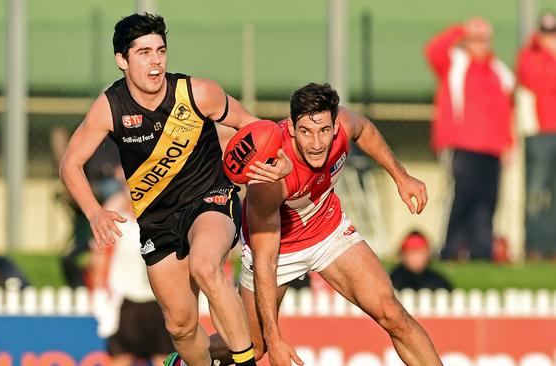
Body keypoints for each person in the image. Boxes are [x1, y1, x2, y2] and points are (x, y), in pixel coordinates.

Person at [59, 13, 290, 366]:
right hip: (158, 220)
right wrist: (93, 211)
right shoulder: (110, 107)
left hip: (210, 200)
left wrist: (279, 159)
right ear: (122, 60)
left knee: (205, 266)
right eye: (144, 53)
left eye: (160, 51)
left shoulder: (198, 92)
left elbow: (254, 126)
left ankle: (245, 363)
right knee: (180, 326)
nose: (155, 62)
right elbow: (70, 163)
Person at [202, 83, 442, 366]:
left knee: (392, 314)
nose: (316, 144)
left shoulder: (344, 125)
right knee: (255, 347)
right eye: (305, 132)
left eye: (323, 131)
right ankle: (186, 355)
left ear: (335, 124)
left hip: (327, 229)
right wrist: (276, 338)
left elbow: (366, 131)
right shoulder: (269, 179)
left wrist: (402, 177)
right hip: (278, 249)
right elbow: (266, 261)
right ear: (291, 129)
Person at [425, 18, 515, 261]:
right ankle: (452, 249)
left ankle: (481, 251)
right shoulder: (455, 63)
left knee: (488, 201)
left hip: (492, 148)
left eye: (483, 39)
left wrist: (508, 143)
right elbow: (433, 50)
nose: (479, 45)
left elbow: (506, 110)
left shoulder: (498, 71)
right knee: (462, 196)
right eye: (474, 39)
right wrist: (461, 29)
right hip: (461, 145)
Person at [90, 191, 174, 366]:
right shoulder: (120, 226)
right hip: (126, 300)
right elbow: (99, 258)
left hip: (158, 300)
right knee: (122, 356)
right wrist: (99, 293)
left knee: (164, 357)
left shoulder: (164, 224)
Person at [516, 12, 556, 260]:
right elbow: (539, 81)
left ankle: (553, 246)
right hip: (539, 133)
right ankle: (535, 245)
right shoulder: (529, 56)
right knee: (536, 192)